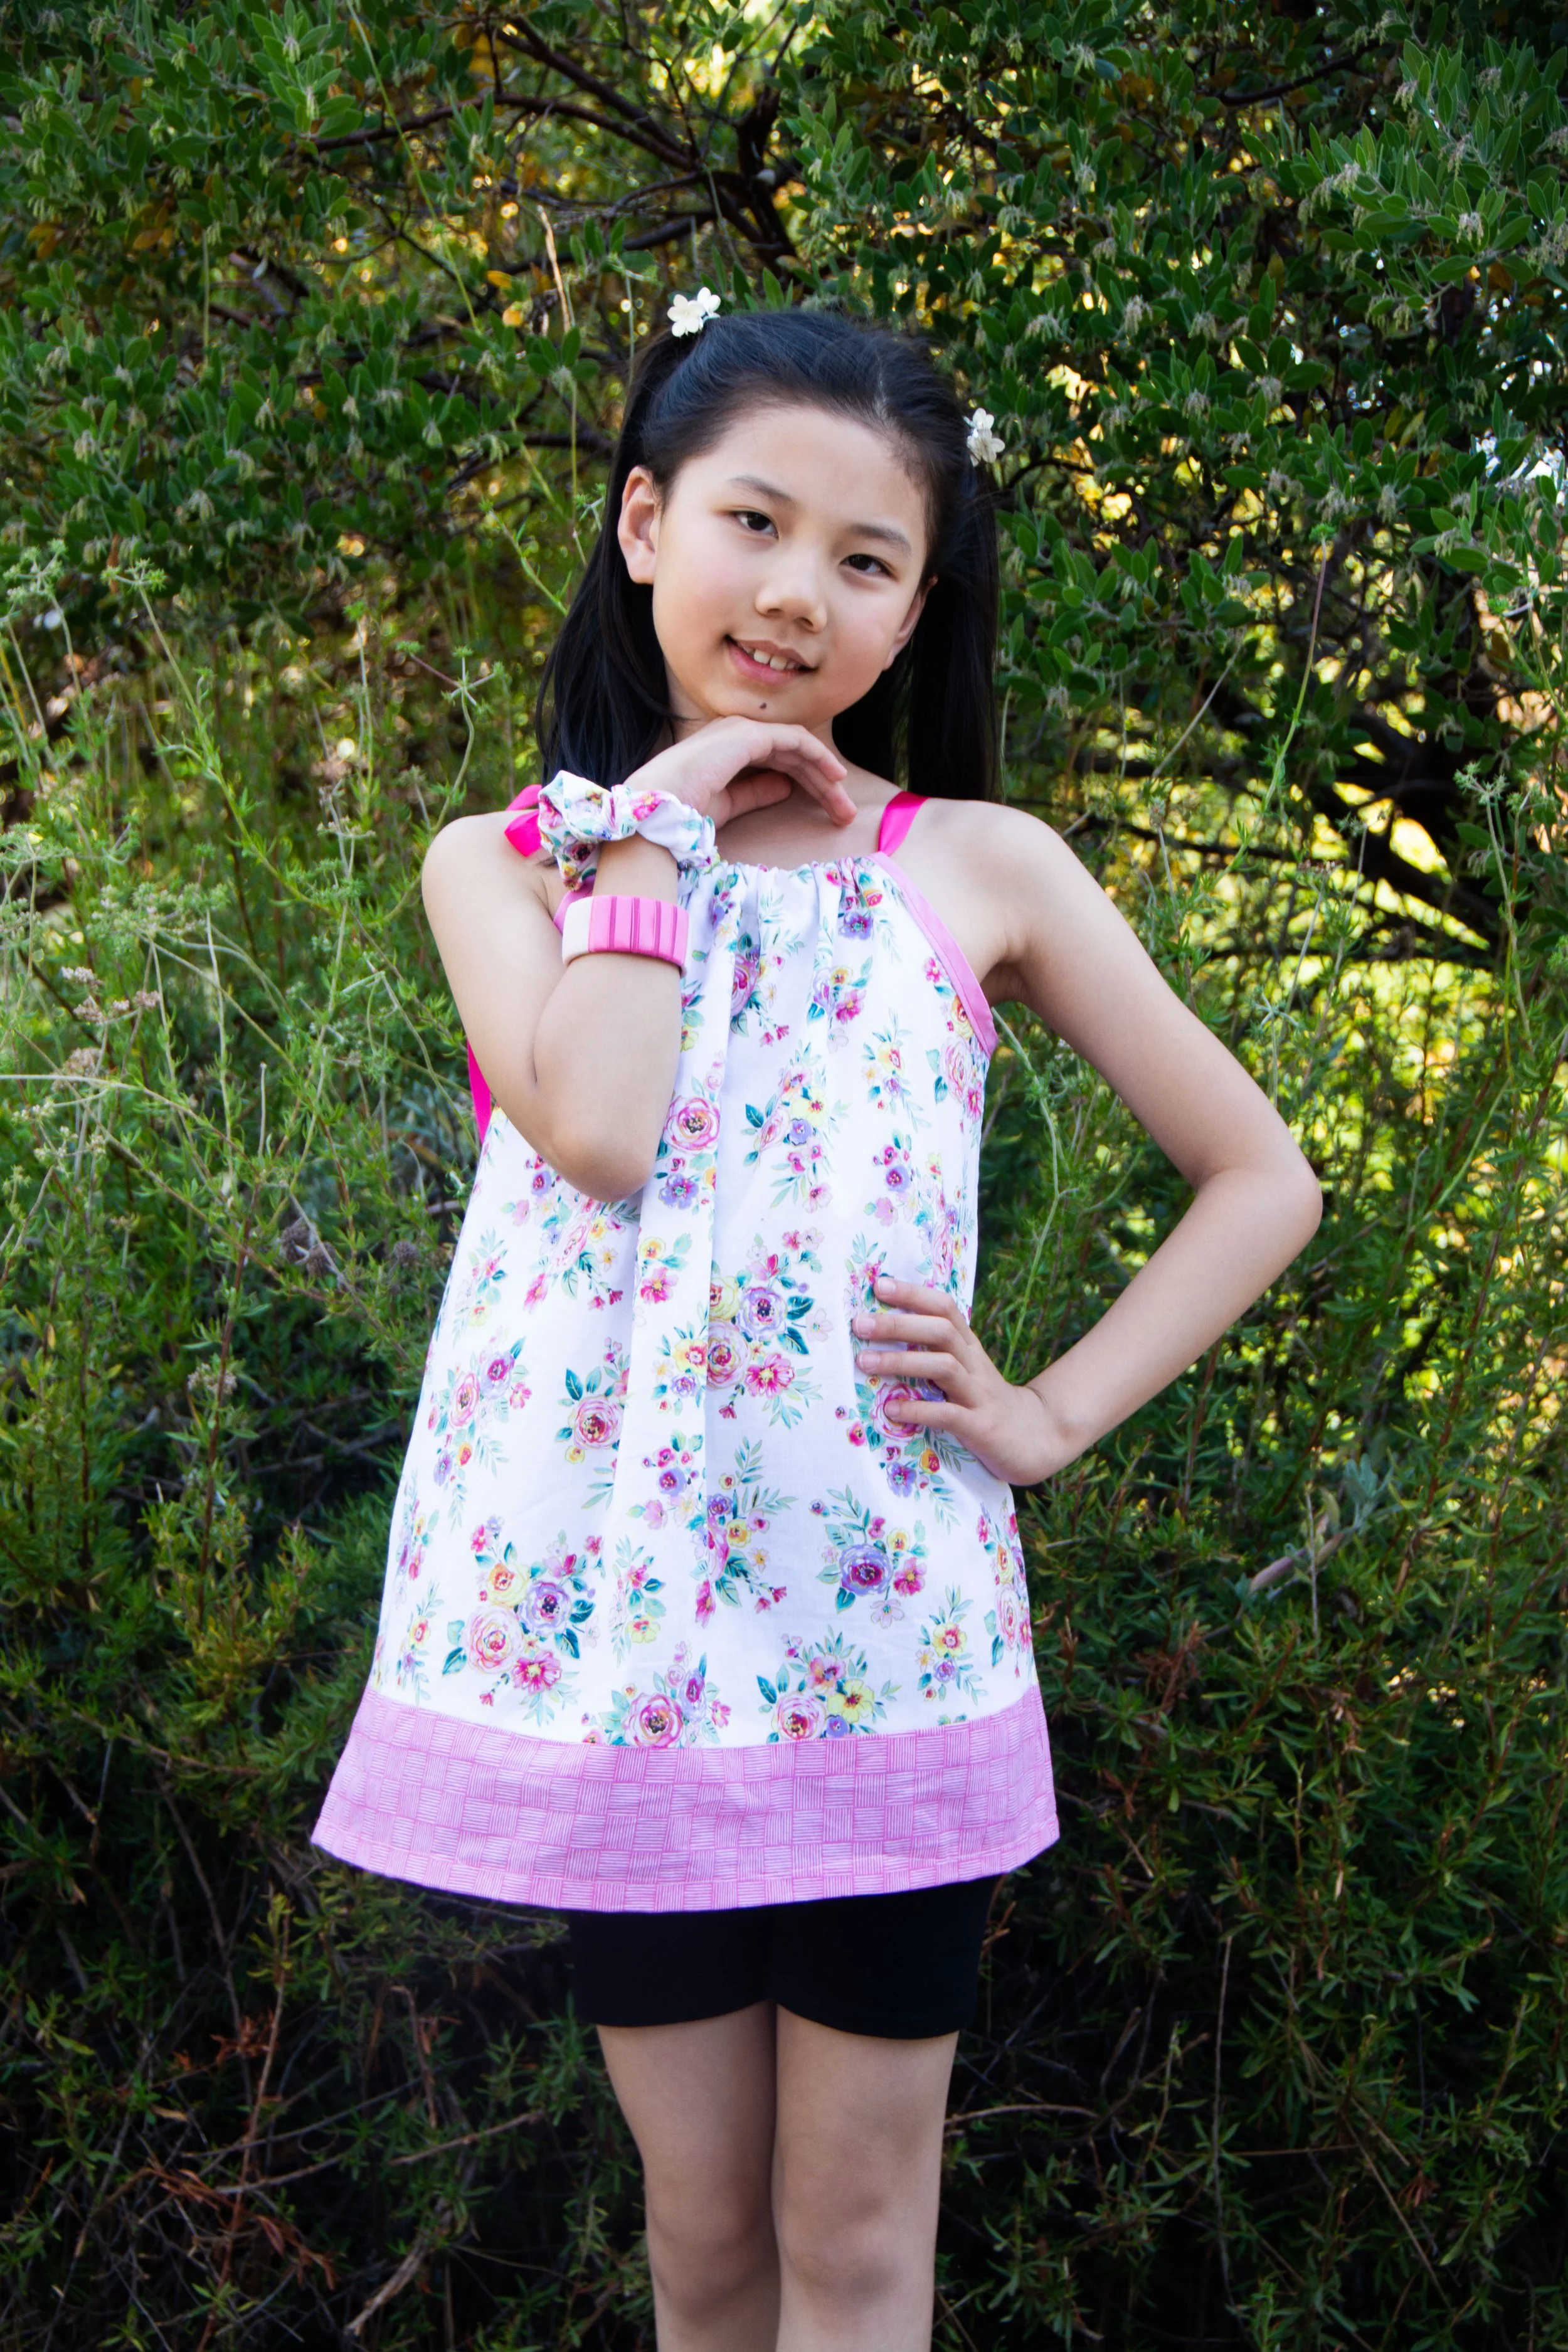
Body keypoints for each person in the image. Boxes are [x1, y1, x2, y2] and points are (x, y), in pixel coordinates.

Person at [314, 301, 1321, 2351]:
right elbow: (594, 1122)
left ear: (914, 605)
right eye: (751, 522)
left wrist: (1046, 1412)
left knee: (856, 2249)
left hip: (881, 1643)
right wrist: (661, 816)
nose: (795, 591)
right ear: (640, 521)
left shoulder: (976, 868)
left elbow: (1261, 1178)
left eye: (863, 558)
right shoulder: (505, 865)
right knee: (701, 2245)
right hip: (627, 1656)